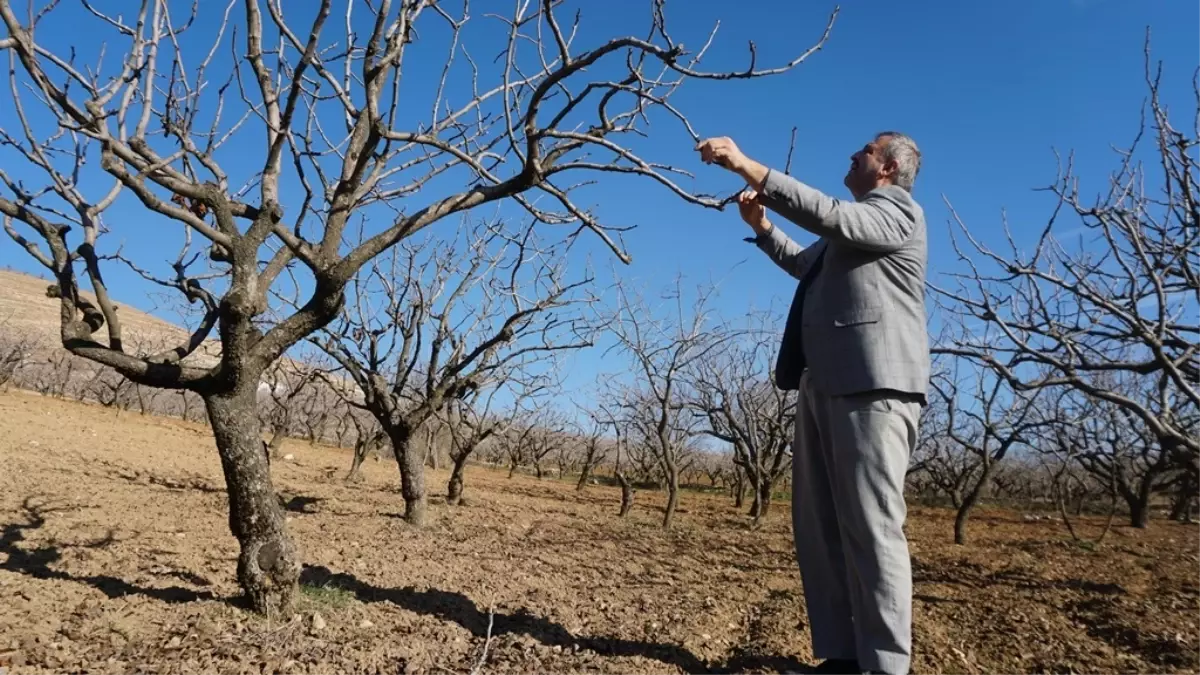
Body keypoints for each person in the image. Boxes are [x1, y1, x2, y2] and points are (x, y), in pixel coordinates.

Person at [696, 133, 929, 675]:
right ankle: (845, 655)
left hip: (874, 384)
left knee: (872, 527)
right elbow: (807, 265)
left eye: (866, 151)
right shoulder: (848, 230)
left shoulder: (900, 214)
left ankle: (886, 666)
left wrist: (747, 165)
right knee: (820, 526)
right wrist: (762, 229)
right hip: (822, 381)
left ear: (889, 169)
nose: (852, 154)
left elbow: (829, 216)